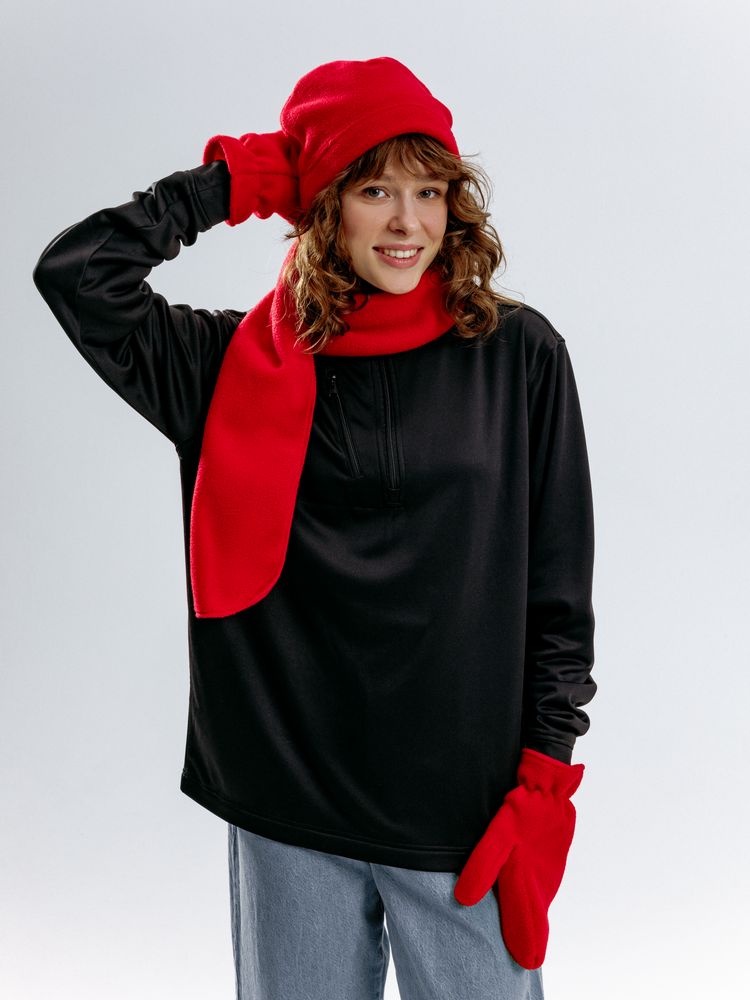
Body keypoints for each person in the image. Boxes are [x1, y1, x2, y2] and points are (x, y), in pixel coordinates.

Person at [33, 56, 596, 1000]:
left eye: (429, 191)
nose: (408, 222)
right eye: (375, 191)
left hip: (460, 812)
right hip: (286, 801)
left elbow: (559, 590)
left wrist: (547, 776)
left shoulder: (517, 355)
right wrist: (228, 186)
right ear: (323, 205)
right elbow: (79, 273)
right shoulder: (224, 365)